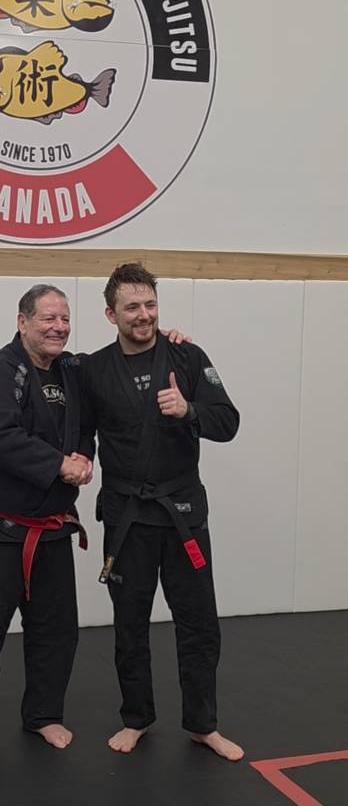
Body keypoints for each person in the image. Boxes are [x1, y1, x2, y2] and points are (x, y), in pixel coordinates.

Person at [79, 262, 244, 761]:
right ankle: (137, 718)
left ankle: (203, 725)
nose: (144, 315)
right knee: (130, 624)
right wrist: (75, 465)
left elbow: (228, 421)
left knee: (199, 623)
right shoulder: (93, 370)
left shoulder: (188, 357)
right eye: (131, 307)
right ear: (111, 314)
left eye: (150, 304)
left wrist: (189, 410)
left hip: (182, 514)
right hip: (127, 516)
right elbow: (80, 434)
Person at [0, 285, 93, 764]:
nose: (59, 327)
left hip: (50, 526)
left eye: (65, 318)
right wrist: (59, 465)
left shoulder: (71, 371)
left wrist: (83, 455)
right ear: (22, 321)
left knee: (56, 629)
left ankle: (44, 715)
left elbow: (89, 420)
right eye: (48, 318)